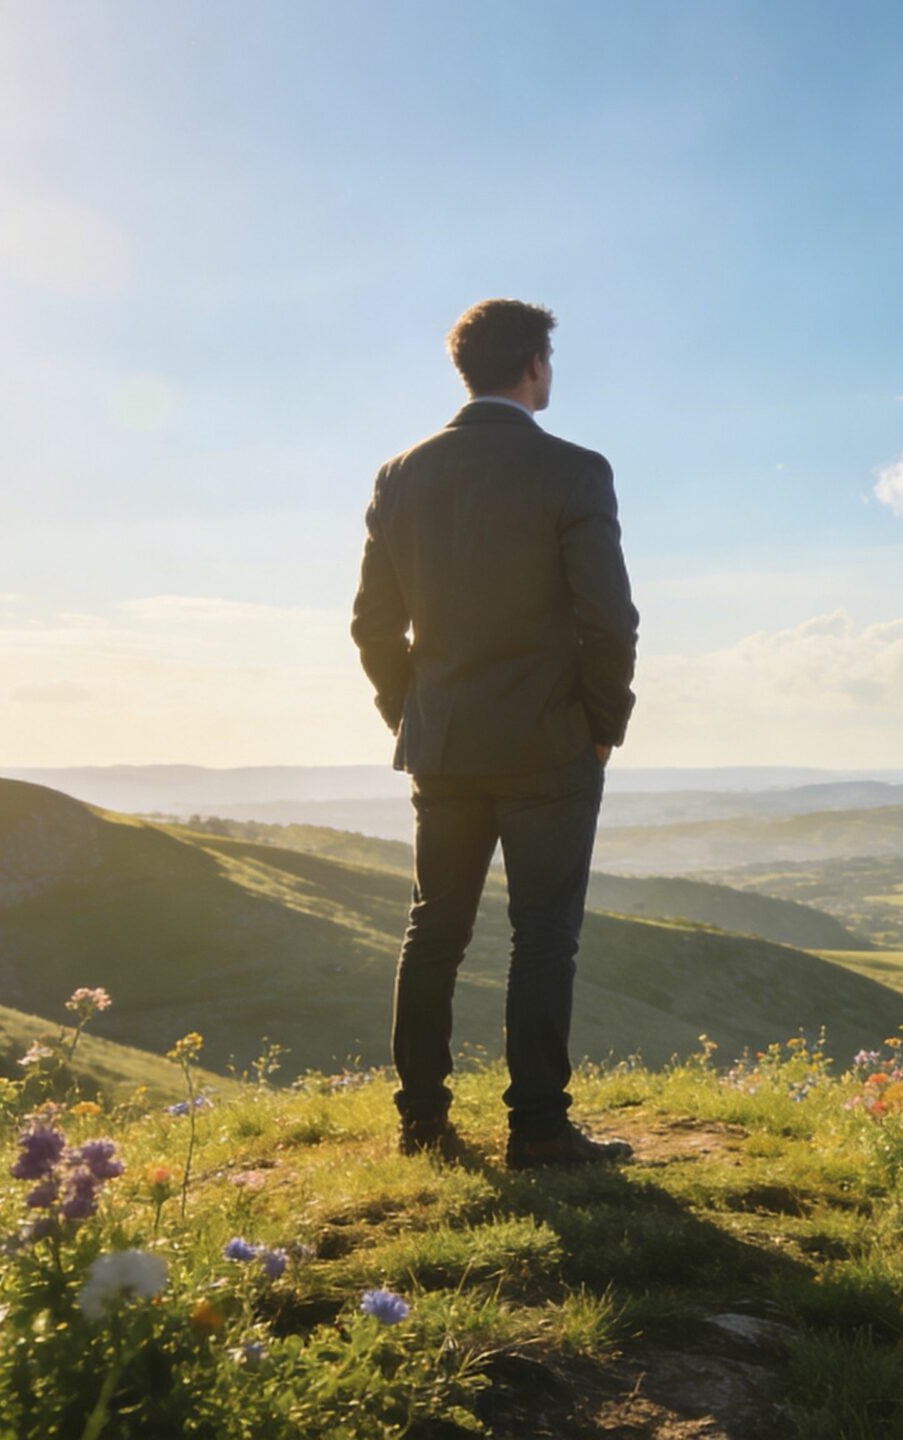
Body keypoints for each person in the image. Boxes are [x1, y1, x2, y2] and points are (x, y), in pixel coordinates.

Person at [350, 299, 640, 1169]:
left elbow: (371, 625)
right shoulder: (574, 470)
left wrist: (411, 712)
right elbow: (610, 620)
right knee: (544, 934)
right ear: (535, 366)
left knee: (433, 930)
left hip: (442, 745)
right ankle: (540, 1130)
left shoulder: (400, 474)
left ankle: (423, 1123)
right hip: (550, 743)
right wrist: (602, 726)